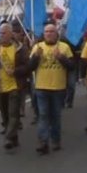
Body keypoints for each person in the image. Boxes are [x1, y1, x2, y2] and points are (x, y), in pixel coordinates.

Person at [29, 24, 75, 154]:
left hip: (58, 87)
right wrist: (36, 57)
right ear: (43, 34)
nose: (49, 34)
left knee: (55, 115)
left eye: (51, 31)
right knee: (43, 115)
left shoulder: (64, 47)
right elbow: (30, 67)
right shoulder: (38, 47)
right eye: (46, 32)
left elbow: (72, 66)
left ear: (56, 34)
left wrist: (61, 57)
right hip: (41, 87)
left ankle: (56, 140)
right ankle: (43, 141)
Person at [0, 23, 30, 150]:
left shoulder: (20, 49)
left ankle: (9, 138)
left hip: (15, 87)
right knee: (5, 115)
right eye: (0, 33)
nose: (1, 35)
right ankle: (13, 136)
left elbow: (27, 66)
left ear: (10, 34)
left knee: (13, 113)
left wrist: (15, 71)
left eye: (4, 33)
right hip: (1, 87)